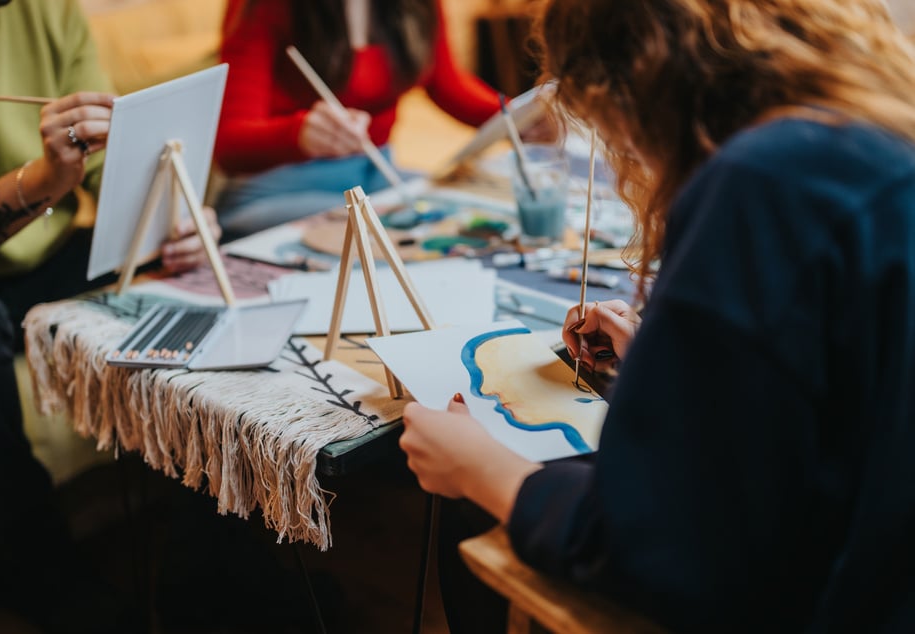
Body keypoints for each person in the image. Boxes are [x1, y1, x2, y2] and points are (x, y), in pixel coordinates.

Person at [399, 0, 915, 632]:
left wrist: (481, 467)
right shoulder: (869, 130)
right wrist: (672, 353)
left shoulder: (761, 181)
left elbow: (671, 553)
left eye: (607, 130)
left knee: (477, 502)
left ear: (632, 82)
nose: (623, 162)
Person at [0, 0, 222, 630]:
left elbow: (110, 163)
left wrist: (173, 224)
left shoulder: (48, 11)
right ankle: (43, 567)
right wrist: (48, 175)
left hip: (46, 254)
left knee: (191, 275)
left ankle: (210, 559)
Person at [213, 0, 517, 237]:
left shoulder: (415, 6)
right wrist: (299, 134)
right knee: (389, 230)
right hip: (279, 188)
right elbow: (228, 143)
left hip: (375, 175)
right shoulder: (269, 7)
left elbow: (446, 83)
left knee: (468, 209)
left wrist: (516, 117)